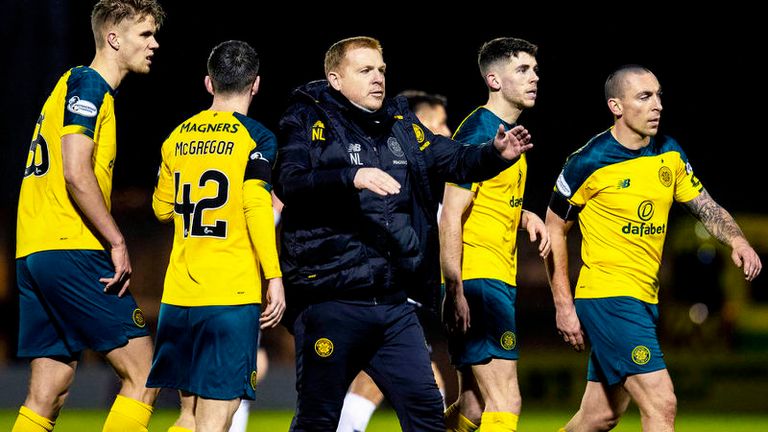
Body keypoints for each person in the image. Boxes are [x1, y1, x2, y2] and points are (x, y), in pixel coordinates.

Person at [275, 35, 533, 432]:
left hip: (394, 302)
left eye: (381, 69)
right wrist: (351, 176)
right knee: (317, 419)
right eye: (365, 70)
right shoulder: (306, 119)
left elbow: (452, 159)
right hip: (330, 297)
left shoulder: (399, 124)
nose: (378, 77)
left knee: (428, 415)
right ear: (335, 79)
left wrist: (493, 155)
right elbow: (290, 183)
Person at [546, 65, 762, 431]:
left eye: (659, 95)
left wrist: (737, 239)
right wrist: (563, 305)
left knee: (600, 415)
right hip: (608, 296)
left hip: (644, 297)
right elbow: (553, 230)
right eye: (644, 97)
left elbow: (705, 206)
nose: (657, 105)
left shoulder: (669, 153)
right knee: (662, 403)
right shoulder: (587, 162)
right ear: (616, 106)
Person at [13, 1, 164, 431]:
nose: (154, 44)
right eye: (145, 35)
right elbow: (76, 170)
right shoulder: (90, 85)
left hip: (36, 251)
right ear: (114, 38)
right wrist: (117, 241)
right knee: (144, 373)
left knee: (50, 389)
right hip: (70, 246)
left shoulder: (66, 85)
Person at [147, 40, 285, 432]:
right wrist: (273, 277)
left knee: (187, 416)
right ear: (255, 85)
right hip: (229, 296)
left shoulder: (175, 138)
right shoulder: (257, 138)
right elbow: (256, 207)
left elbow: (160, 208)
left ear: (209, 83)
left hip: (179, 296)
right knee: (216, 419)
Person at [440, 37, 550, 432]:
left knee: (471, 407)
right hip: (479, 280)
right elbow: (451, 213)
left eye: (535, 70)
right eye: (522, 70)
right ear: (494, 79)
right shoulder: (480, 132)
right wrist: (455, 288)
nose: (534, 77)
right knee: (506, 401)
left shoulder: (505, 134)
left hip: (489, 278)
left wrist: (523, 214)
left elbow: (484, 198)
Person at [337, 90, 451, 432]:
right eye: (440, 123)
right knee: (422, 392)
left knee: (419, 387)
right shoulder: (396, 170)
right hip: (386, 297)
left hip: (396, 298)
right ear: (419, 125)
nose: (446, 131)